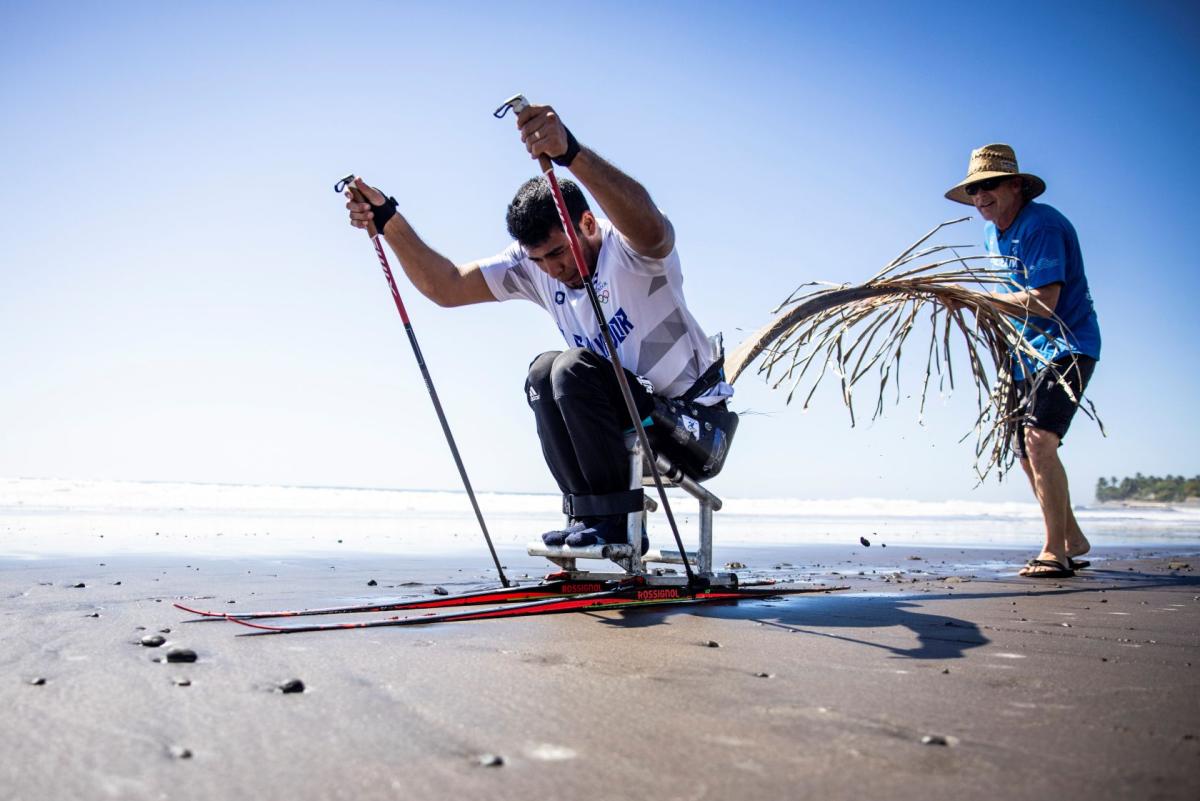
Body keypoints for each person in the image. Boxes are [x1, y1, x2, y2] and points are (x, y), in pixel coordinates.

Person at [344, 102, 734, 551]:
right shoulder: (534, 267)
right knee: (542, 371)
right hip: (629, 414)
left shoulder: (631, 249)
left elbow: (654, 230)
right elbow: (445, 286)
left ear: (587, 223)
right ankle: (588, 517)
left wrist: (570, 152)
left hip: (696, 425)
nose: (551, 269)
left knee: (571, 369)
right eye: (539, 260)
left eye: (557, 253)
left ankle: (620, 525)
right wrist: (388, 220)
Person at [945, 144, 1101, 578]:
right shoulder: (992, 233)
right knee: (1025, 453)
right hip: (1024, 354)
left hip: (1067, 345)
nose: (980, 197)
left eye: (989, 186)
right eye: (974, 189)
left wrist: (982, 300)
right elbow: (1007, 300)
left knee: (1039, 441)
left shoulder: (1042, 225)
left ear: (1016, 185)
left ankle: (1055, 552)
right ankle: (1072, 537)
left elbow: (1045, 303)